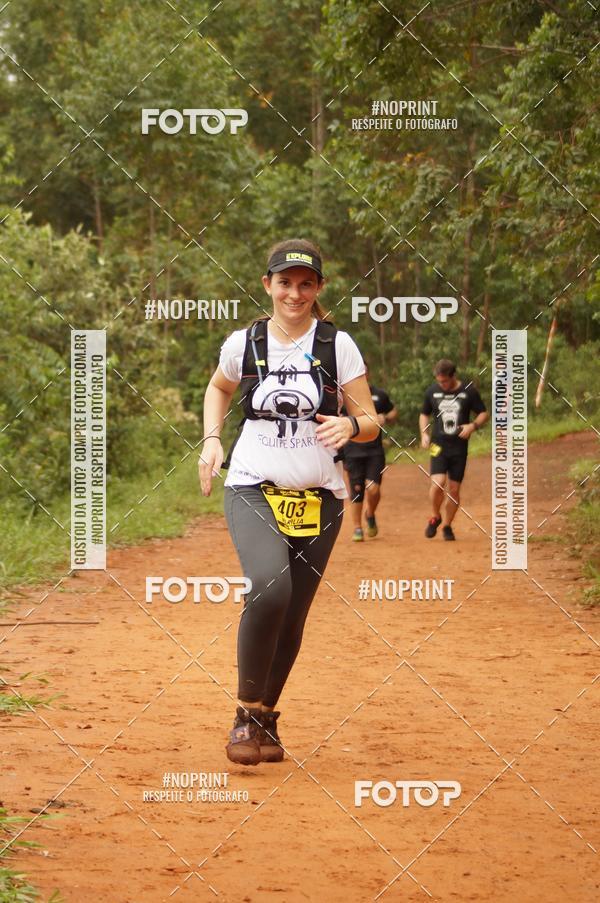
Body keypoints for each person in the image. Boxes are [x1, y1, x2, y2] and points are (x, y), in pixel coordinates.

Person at [199, 238, 378, 766]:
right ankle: (243, 714)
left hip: (321, 496)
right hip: (253, 483)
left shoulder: (337, 345)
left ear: (318, 288)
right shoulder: (246, 342)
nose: (294, 293)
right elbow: (218, 388)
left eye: (305, 284)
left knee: (293, 616)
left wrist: (350, 424)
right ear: (268, 285)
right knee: (270, 588)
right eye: (285, 282)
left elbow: (369, 422)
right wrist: (212, 439)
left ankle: (263, 720)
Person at [419, 359, 488, 541]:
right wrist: (424, 434)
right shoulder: (432, 392)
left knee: (454, 489)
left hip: (459, 447)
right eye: (439, 381)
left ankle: (447, 525)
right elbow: (424, 414)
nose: (442, 385)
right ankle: (436, 516)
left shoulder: (468, 391)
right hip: (438, 445)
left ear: (453, 376)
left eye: (445, 381)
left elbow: (483, 412)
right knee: (438, 483)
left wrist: (472, 426)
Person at [342, 364, 397, 540]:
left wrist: (385, 417)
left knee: (373, 489)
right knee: (357, 489)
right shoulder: (344, 395)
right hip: (352, 450)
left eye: (365, 372)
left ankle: (370, 514)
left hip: (374, 450)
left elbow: (393, 410)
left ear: (368, 374)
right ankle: (357, 528)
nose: (362, 374)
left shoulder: (379, 395)